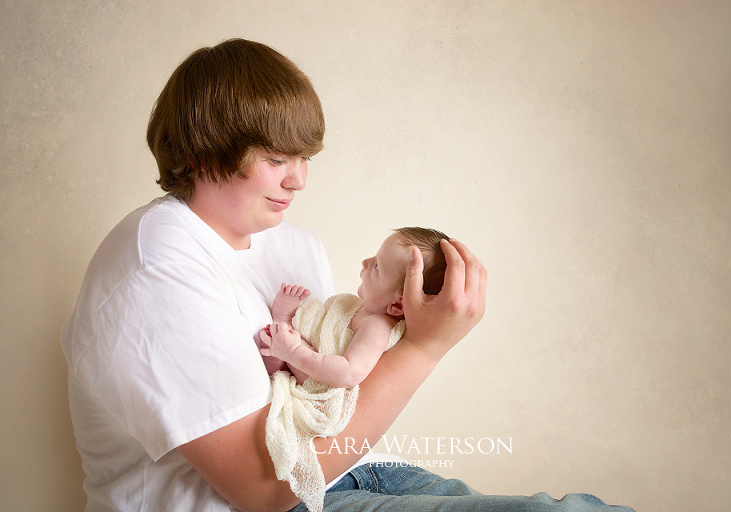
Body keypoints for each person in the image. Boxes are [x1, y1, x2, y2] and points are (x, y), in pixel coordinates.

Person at [60, 39, 634, 512]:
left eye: (304, 157)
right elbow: (263, 490)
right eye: (276, 158)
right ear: (204, 153)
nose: (299, 180)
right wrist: (425, 350)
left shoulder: (293, 246)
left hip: (363, 475)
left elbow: (329, 397)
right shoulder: (156, 263)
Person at [260, 228, 449, 512]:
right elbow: (327, 328)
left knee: (288, 355)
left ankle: (283, 342)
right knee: (281, 350)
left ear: (398, 303)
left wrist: (295, 352)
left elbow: (348, 373)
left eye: (376, 266)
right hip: (306, 367)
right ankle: (284, 331)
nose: (364, 262)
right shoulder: (358, 308)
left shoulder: (378, 326)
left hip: (324, 388)